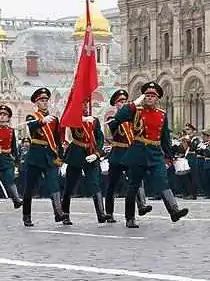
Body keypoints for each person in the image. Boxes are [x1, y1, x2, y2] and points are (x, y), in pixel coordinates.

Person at [112, 81, 188, 228]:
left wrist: (169, 156)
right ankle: (130, 218)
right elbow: (119, 117)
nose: (149, 98)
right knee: (133, 186)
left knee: (162, 181)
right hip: (138, 151)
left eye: (152, 96)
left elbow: (165, 137)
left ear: (157, 98)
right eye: (146, 95)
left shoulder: (162, 115)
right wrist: (135, 102)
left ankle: (174, 211)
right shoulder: (136, 111)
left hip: (155, 153)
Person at [103, 89, 152, 223]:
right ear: (115, 104)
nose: (123, 104)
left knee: (135, 181)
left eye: (125, 101)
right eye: (120, 102)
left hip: (130, 153)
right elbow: (113, 127)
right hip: (118, 154)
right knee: (112, 185)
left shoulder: (132, 117)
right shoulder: (112, 119)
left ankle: (141, 205)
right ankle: (109, 212)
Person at [21, 87, 65, 227]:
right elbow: (32, 127)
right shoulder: (32, 117)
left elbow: (58, 140)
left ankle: (59, 213)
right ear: (36, 102)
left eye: (46, 100)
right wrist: (42, 121)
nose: (45, 103)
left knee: (54, 184)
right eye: (42, 100)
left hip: (50, 156)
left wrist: (60, 156)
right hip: (35, 156)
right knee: (29, 187)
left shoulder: (53, 119)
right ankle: (26, 215)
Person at [61, 101, 108, 224]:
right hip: (76, 154)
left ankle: (101, 213)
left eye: (86, 104)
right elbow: (66, 119)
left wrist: (97, 153)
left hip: (90, 154)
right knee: (70, 185)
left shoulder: (94, 120)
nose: (85, 107)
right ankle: (65, 214)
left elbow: (100, 138)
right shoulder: (73, 118)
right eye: (82, 104)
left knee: (95, 183)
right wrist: (81, 118)